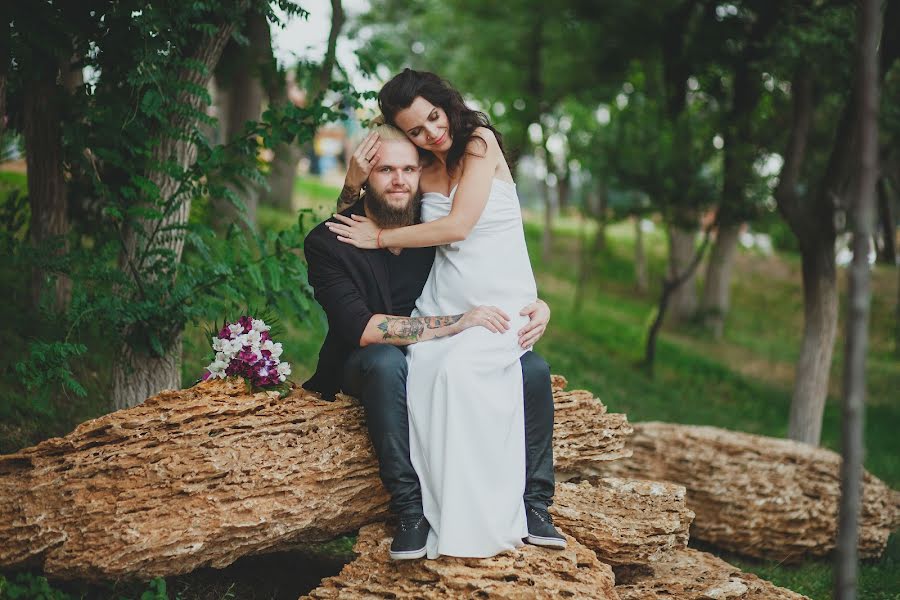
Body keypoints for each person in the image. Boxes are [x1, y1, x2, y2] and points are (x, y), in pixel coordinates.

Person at [324, 69, 562, 559]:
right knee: (426, 370)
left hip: (500, 301)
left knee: (466, 371)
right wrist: (351, 185)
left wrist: (539, 302)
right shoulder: (419, 169)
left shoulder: (479, 143)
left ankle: (521, 509)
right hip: (445, 303)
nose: (431, 132)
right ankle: (425, 513)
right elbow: (363, 221)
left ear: (446, 103)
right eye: (415, 130)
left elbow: (457, 227)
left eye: (433, 117)